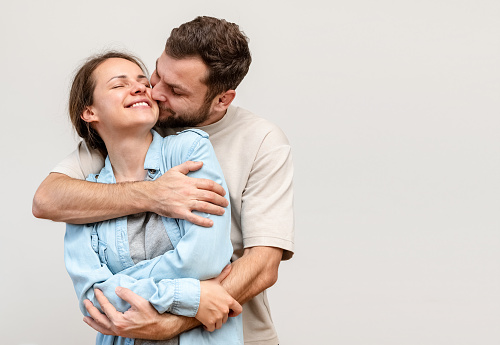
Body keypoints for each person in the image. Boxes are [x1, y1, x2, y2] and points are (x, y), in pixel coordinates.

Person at [33, 16, 294, 345]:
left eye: (175, 90)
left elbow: (263, 264)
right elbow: (48, 200)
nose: (153, 90)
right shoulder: (136, 124)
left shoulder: (260, 141)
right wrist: (154, 194)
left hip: (233, 333)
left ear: (222, 100)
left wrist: (171, 322)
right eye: (157, 73)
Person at [63, 51, 243, 345]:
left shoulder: (189, 150)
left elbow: (204, 260)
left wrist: (119, 284)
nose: (140, 88)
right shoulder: (85, 197)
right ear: (90, 112)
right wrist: (192, 294)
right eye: (119, 84)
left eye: (143, 81)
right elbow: (93, 301)